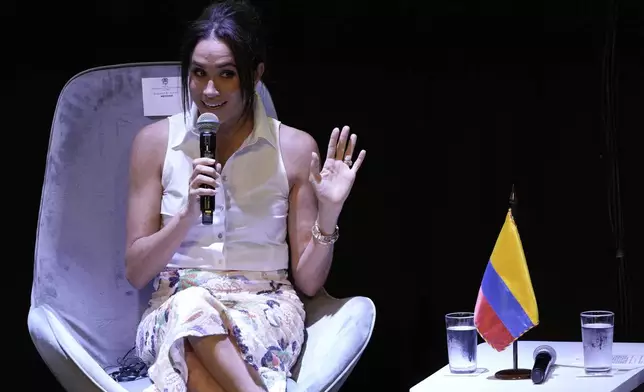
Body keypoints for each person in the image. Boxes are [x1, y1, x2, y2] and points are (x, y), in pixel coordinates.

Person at [124, 1, 366, 391]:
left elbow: (307, 281)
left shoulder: (294, 148)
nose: (208, 90)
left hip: (265, 307)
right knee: (191, 312)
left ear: (255, 75)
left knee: (192, 360)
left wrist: (330, 212)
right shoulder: (153, 144)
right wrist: (186, 215)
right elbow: (136, 271)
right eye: (198, 73)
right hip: (175, 304)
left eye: (226, 75)